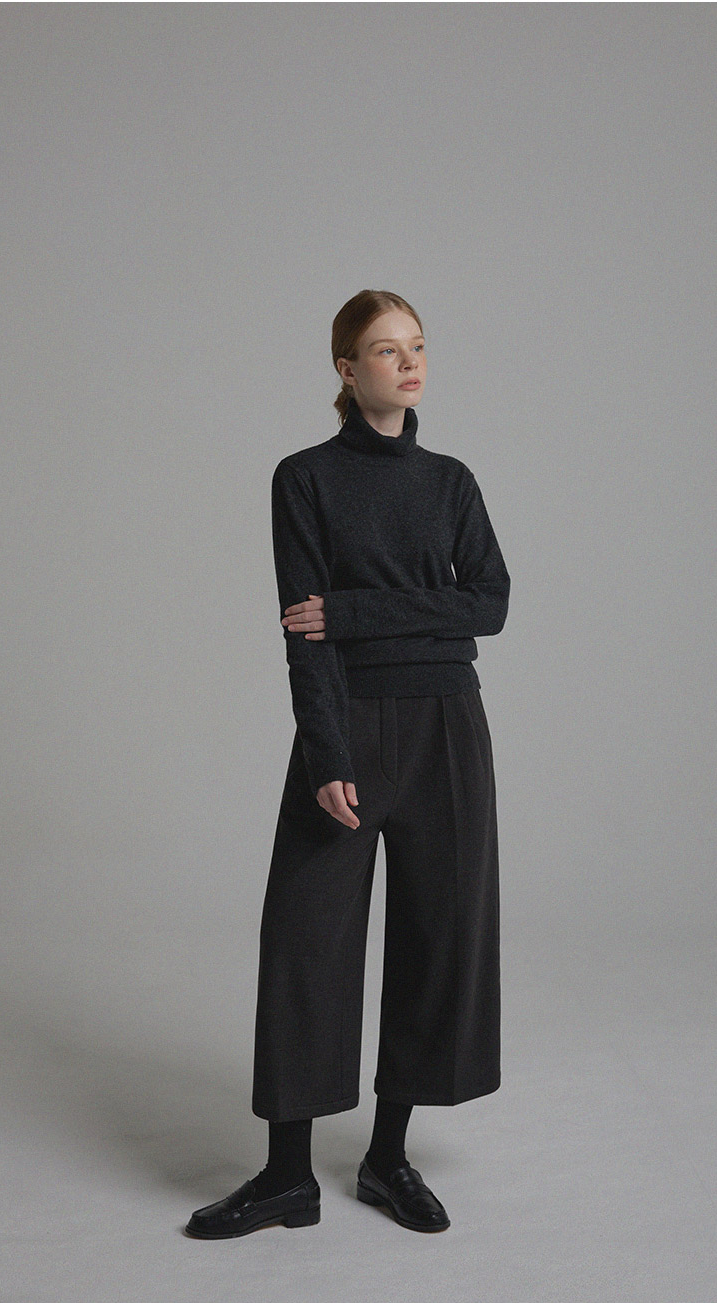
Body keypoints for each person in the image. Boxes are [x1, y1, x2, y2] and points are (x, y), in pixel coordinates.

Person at [185, 289, 510, 1239]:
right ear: (345, 367)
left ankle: (387, 1157)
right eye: (385, 350)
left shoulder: (450, 481)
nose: (408, 365)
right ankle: (288, 1176)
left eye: (418, 347)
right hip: (350, 726)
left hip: (448, 727)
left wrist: (358, 610)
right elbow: (303, 631)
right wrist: (326, 749)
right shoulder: (305, 479)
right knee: (307, 939)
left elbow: (490, 604)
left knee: (437, 933)